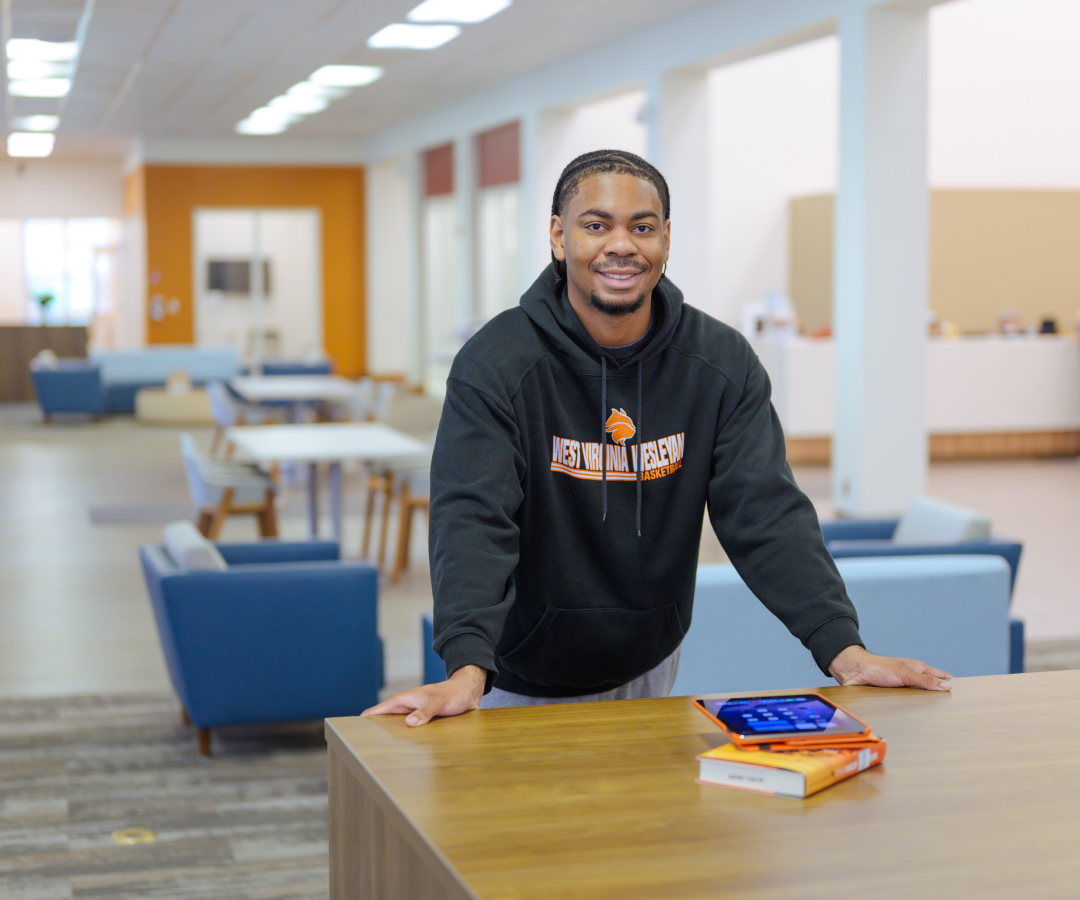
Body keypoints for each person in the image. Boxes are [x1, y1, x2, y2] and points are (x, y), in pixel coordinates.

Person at [364, 149, 952, 727]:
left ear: (665, 240)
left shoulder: (719, 364)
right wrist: (467, 665)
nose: (621, 244)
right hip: (514, 678)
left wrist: (842, 649)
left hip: (652, 662)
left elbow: (765, 512)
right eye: (596, 225)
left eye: (641, 227)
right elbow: (472, 517)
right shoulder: (497, 364)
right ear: (558, 237)